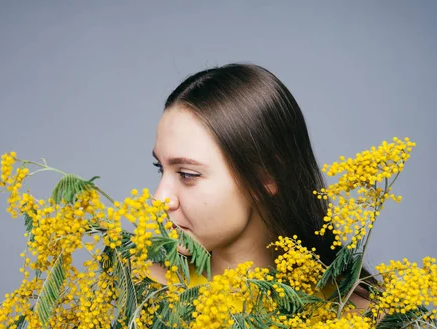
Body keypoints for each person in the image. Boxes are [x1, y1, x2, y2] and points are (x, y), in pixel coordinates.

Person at [148, 63, 370, 311]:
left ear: (266, 177)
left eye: (187, 174)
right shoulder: (149, 294)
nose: (160, 198)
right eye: (160, 168)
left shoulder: (357, 318)